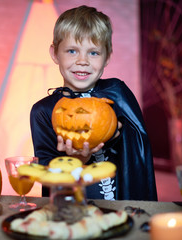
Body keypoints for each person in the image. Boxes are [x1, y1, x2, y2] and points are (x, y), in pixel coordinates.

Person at [30, 5, 157, 201]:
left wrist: (116, 137)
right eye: (72, 51)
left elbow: (139, 148)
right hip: (73, 207)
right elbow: (46, 173)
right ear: (55, 53)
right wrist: (78, 159)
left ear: (107, 57)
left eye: (93, 53)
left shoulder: (117, 93)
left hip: (123, 203)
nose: (83, 61)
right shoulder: (44, 111)